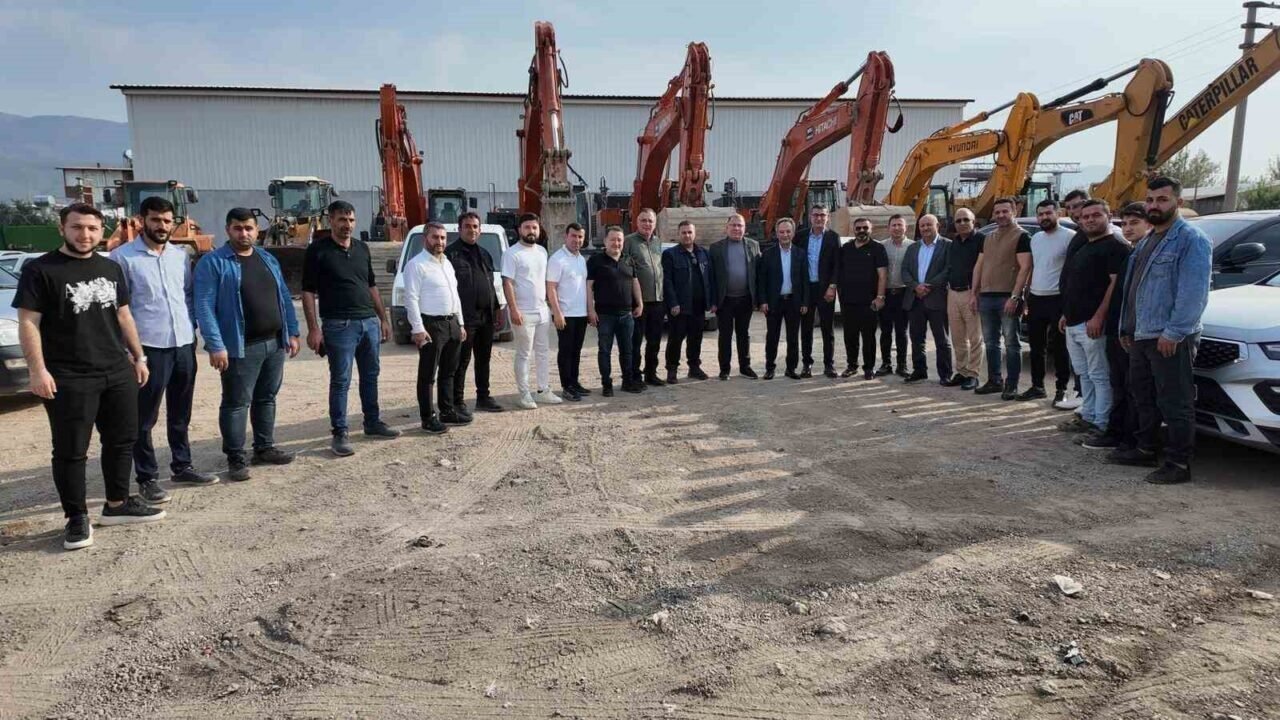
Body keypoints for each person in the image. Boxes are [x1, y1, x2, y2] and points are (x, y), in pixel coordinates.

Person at [14, 203, 165, 550]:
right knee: (71, 450)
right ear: (62, 229)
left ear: (101, 231)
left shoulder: (110, 268)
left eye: (93, 228)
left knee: (121, 441)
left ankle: (117, 504)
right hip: (69, 376)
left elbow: (124, 315)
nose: (85, 235)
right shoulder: (41, 270)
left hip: (116, 370)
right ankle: (76, 517)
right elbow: (28, 322)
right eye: (77, 227)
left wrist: (138, 356)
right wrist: (37, 370)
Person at [109, 196, 217, 506]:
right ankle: (147, 478)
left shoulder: (179, 256)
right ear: (142, 220)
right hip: (148, 348)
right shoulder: (122, 258)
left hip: (182, 344)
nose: (162, 226)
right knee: (144, 417)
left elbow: (187, 295)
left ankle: (182, 466)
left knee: (181, 411)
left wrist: (191, 328)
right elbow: (117, 308)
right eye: (156, 220)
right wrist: (130, 352)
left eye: (167, 221)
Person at [1111, 177, 1212, 485]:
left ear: (1178, 203)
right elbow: (1133, 289)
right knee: (1143, 396)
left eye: (1162, 200)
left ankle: (1178, 463)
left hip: (1168, 336)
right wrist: (1127, 326)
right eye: (1151, 200)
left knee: (1174, 401)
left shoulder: (1191, 240)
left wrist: (1175, 332)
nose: (1154, 205)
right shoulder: (1148, 241)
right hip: (1141, 333)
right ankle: (1146, 449)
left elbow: (1193, 293)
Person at [194, 208, 299, 482]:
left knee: (267, 397)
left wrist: (292, 331)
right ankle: (236, 457)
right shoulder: (213, 263)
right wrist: (216, 345)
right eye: (238, 228)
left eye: (249, 228)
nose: (244, 233)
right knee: (236, 403)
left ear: (256, 230)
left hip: (274, 343)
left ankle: (264, 447)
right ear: (228, 230)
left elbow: (283, 296)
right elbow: (204, 306)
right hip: (240, 347)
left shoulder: (266, 258)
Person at [302, 200, 400, 457]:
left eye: (351, 220)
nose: (347, 225)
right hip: (339, 325)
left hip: (368, 322)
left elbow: (371, 285)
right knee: (341, 380)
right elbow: (308, 292)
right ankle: (340, 433)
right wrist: (314, 329)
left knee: (371, 375)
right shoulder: (318, 251)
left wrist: (383, 319)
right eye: (342, 220)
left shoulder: (361, 248)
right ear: (331, 221)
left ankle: (372, 422)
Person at [1056, 199, 1129, 442]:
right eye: (1085, 217)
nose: (1089, 220)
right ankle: (1088, 415)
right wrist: (1066, 314)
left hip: (1093, 325)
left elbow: (1114, 285)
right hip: (1074, 322)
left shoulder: (1116, 247)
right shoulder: (1085, 246)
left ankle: (1102, 423)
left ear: (1109, 216)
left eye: (1096, 215)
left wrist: (1099, 316)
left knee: (1099, 375)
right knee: (1084, 374)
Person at [1084, 202, 1146, 451]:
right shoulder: (1132, 252)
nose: (1128, 228)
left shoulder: (1138, 252)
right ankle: (1117, 433)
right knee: (1118, 383)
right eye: (1126, 223)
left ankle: (1132, 440)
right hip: (1119, 329)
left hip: (1135, 332)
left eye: (1135, 223)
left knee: (1132, 388)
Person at [403, 222, 468, 434]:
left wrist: (460, 323)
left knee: (449, 371)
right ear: (426, 239)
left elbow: (455, 295)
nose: (439, 241)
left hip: (451, 323)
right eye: (435, 237)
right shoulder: (416, 265)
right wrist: (418, 328)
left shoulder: (446, 263)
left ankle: (447, 411)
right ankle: (428, 418)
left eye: (442, 238)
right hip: (431, 325)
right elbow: (411, 298)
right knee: (428, 374)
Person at [969, 197, 1032, 400]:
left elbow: (1025, 268)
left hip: (1008, 298)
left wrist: (1015, 296)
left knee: (1011, 343)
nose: (1001, 215)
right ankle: (995, 381)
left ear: (1014, 212)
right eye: (997, 212)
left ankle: (1012, 384)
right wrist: (974, 293)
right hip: (987, 297)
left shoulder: (1022, 236)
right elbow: (979, 266)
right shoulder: (988, 237)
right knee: (991, 342)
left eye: (1005, 211)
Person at [503, 213, 562, 409]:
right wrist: (514, 309)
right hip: (523, 312)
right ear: (519, 230)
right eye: (527, 227)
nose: (531, 231)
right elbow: (507, 283)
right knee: (524, 353)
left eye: (534, 228)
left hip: (542, 311)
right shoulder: (512, 254)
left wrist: (551, 307)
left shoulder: (542, 252)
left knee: (543, 352)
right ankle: (524, 393)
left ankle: (543, 390)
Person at [446, 212, 503, 413]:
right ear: (459, 229)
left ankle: (483, 397)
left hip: (485, 317)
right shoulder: (450, 255)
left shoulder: (485, 254)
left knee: (483, 359)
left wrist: (497, 308)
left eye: (475, 226)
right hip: (465, 318)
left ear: (480, 230)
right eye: (468, 226)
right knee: (461, 361)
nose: (472, 230)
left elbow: (490, 284)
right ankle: (457, 401)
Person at [1021, 199, 1075, 402]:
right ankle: (1037, 386)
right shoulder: (1036, 238)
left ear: (1058, 214)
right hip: (1036, 298)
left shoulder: (1069, 237)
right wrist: (1026, 296)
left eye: (1048, 213)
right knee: (1036, 347)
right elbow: (1033, 268)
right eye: (1040, 214)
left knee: (1060, 348)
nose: (1044, 217)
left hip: (1058, 299)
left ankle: (1062, 389)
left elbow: (1072, 272)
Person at [587, 226, 645, 395]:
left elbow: (635, 282)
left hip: (626, 315)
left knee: (627, 351)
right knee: (605, 351)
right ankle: (607, 384)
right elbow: (589, 287)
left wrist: (640, 303)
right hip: (605, 315)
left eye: (619, 240)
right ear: (605, 241)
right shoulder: (596, 260)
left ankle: (627, 382)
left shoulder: (628, 260)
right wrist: (591, 310)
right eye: (612, 239)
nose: (616, 243)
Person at [661, 220, 716, 383]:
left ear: (695, 234)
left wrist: (712, 301)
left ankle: (694, 368)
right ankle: (672, 370)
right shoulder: (670, 254)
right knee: (675, 339)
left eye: (690, 232)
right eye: (684, 232)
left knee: (696, 339)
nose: (687, 235)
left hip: (699, 305)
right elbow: (667, 281)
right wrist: (673, 303)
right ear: (678, 234)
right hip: (680, 306)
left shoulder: (704, 253)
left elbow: (710, 278)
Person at [709, 214, 762, 380]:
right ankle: (724, 369)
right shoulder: (716, 248)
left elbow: (758, 274)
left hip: (745, 299)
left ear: (745, 228)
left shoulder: (753, 245)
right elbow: (711, 277)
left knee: (743, 334)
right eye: (733, 225)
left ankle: (745, 367)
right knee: (725, 335)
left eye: (740, 225)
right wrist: (713, 301)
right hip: (725, 300)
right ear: (726, 228)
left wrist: (759, 299)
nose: (736, 228)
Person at [901, 214, 952, 384]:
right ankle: (919, 370)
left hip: (937, 299)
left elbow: (948, 269)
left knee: (941, 339)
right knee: (917, 338)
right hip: (915, 299)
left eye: (929, 224)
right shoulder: (913, 247)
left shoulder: (947, 245)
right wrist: (916, 286)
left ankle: (945, 374)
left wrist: (928, 286)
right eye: (922, 226)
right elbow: (905, 271)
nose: (925, 228)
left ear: (937, 225)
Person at [836, 216, 888, 379]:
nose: (861, 231)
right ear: (853, 230)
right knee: (850, 336)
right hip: (848, 301)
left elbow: (882, 275)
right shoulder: (846, 248)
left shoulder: (877, 248)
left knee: (868, 337)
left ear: (871, 229)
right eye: (858, 228)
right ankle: (852, 366)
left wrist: (880, 297)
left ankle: (869, 368)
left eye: (865, 228)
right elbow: (838, 271)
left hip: (869, 301)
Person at [757, 218, 810, 379]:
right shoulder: (768, 254)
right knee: (772, 337)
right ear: (776, 233)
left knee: (793, 338)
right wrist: (763, 301)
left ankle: (791, 369)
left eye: (788, 231)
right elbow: (762, 280)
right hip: (774, 302)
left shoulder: (800, 254)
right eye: (781, 232)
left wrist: (805, 302)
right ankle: (770, 368)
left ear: (793, 233)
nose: (785, 235)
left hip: (794, 301)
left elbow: (805, 280)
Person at [797, 205, 841, 378]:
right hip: (807, 289)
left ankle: (829, 365)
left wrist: (832, 286)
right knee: (806, 329)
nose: (819, 218)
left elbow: (837, 264)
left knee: (827, 329)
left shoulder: (833, 237)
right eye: (816, 215)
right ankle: (806, 364)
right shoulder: (800, 236)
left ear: (827, 217)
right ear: (810, 217)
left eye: (822, 215)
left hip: (825, 290)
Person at [623, 209, 666, 386]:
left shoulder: (658, 242)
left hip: (657, 300)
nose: (647, 224)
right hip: (638, 302)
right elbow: (624, 269)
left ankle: (651, 373)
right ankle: (634, 375)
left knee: (654, 341)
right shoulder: (629, 242)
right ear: (637, 222)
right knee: (635, 342)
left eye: (650, 221)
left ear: (655, 224)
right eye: (643, 220)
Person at [547, 223, 590, 400]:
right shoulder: (557, 259)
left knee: (576, 350)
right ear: (566, 236)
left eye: (580, 237)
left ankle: (574, 382)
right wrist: (557, 312)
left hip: (580, 314)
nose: (577, 240)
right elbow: (551, 287)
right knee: (565, 351)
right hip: (565, 314)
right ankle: (566, 386)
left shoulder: (581, 259)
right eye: (573, 236)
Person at [946, 208, 984, 390]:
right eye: (958, 220)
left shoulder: (981, 240)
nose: (962, 223)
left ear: (973, 221)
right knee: (958, 337)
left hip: (972, 293)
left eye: (966, 220)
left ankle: (973, 374)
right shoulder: (954, 243)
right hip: (953, 293)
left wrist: (976, 294)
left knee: (975, 337)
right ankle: (961, 371)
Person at [876, 214, 913, 377]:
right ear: (888, 228)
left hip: (903, 294)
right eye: (894, 225)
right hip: (885, 294)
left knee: (901, 331)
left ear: (906, 227)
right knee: (885, 331)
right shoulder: (881, 246)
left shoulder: (913, 247)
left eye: (900, 225)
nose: (897, 228)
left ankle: (902, 365)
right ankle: (886, 364)